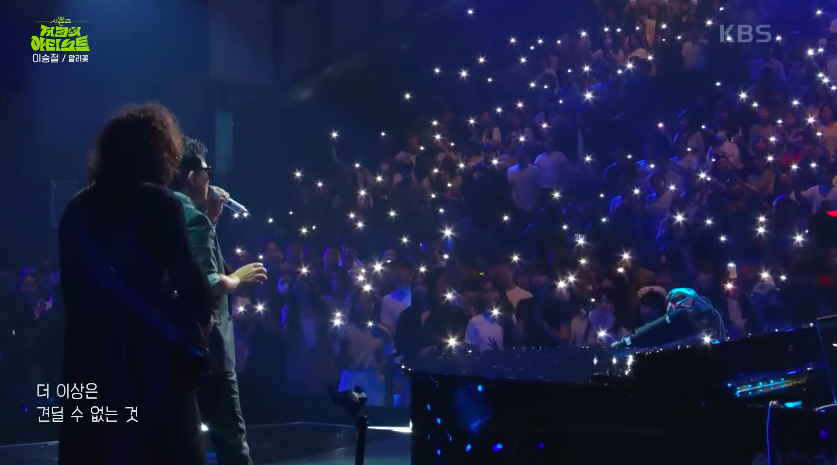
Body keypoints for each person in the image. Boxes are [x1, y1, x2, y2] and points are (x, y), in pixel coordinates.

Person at [57, 103, 212, 465]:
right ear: (158, 151)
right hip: (149, 365)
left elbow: (72, 297)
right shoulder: (158, 202)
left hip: (88, 364)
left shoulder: (74, 210)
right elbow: (192, 286)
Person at [171, 137, 267, 465]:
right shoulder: (193, 219)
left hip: (175, 344)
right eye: (206, 172)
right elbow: (207, 283)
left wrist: (211, 220)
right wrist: (239, 277)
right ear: (191, 176)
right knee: (232, 442)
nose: (210, 179)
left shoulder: (167, 213)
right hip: (210, 348)